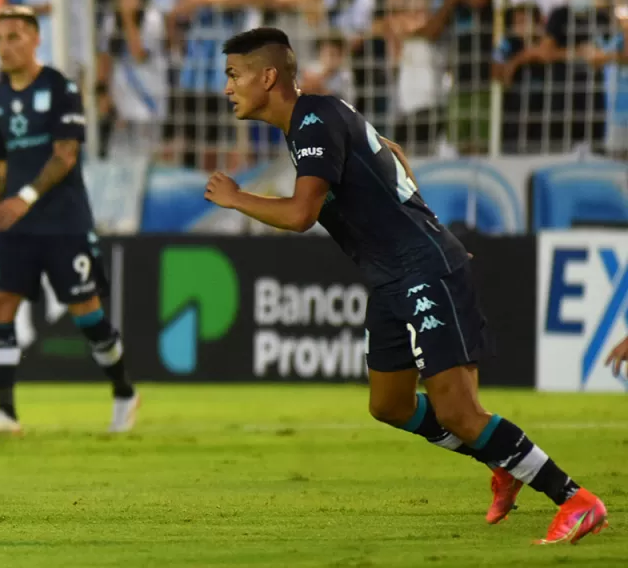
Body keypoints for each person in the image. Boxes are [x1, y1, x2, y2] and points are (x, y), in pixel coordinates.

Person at [203, 27, 608, 545]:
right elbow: (390, 152)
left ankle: (575, 499)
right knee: (389, 405)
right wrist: (428, 225)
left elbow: (302, 214)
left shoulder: (312, 120)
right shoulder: (318, 116)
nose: (227, 88)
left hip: (421, 271)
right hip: (394, 276)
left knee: (460, 413)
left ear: (268, 76)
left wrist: (238, 199)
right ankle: (502, 457)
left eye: (234, 76)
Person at [0, 6, 139, 436]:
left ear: (35, 39)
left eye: (14, 37)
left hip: (63, 220)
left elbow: (66, 154)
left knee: (86, 312)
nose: (5, 47)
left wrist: (24, 198)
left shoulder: (60, 88)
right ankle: (6, 414)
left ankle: (124, 392)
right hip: (15, 223)